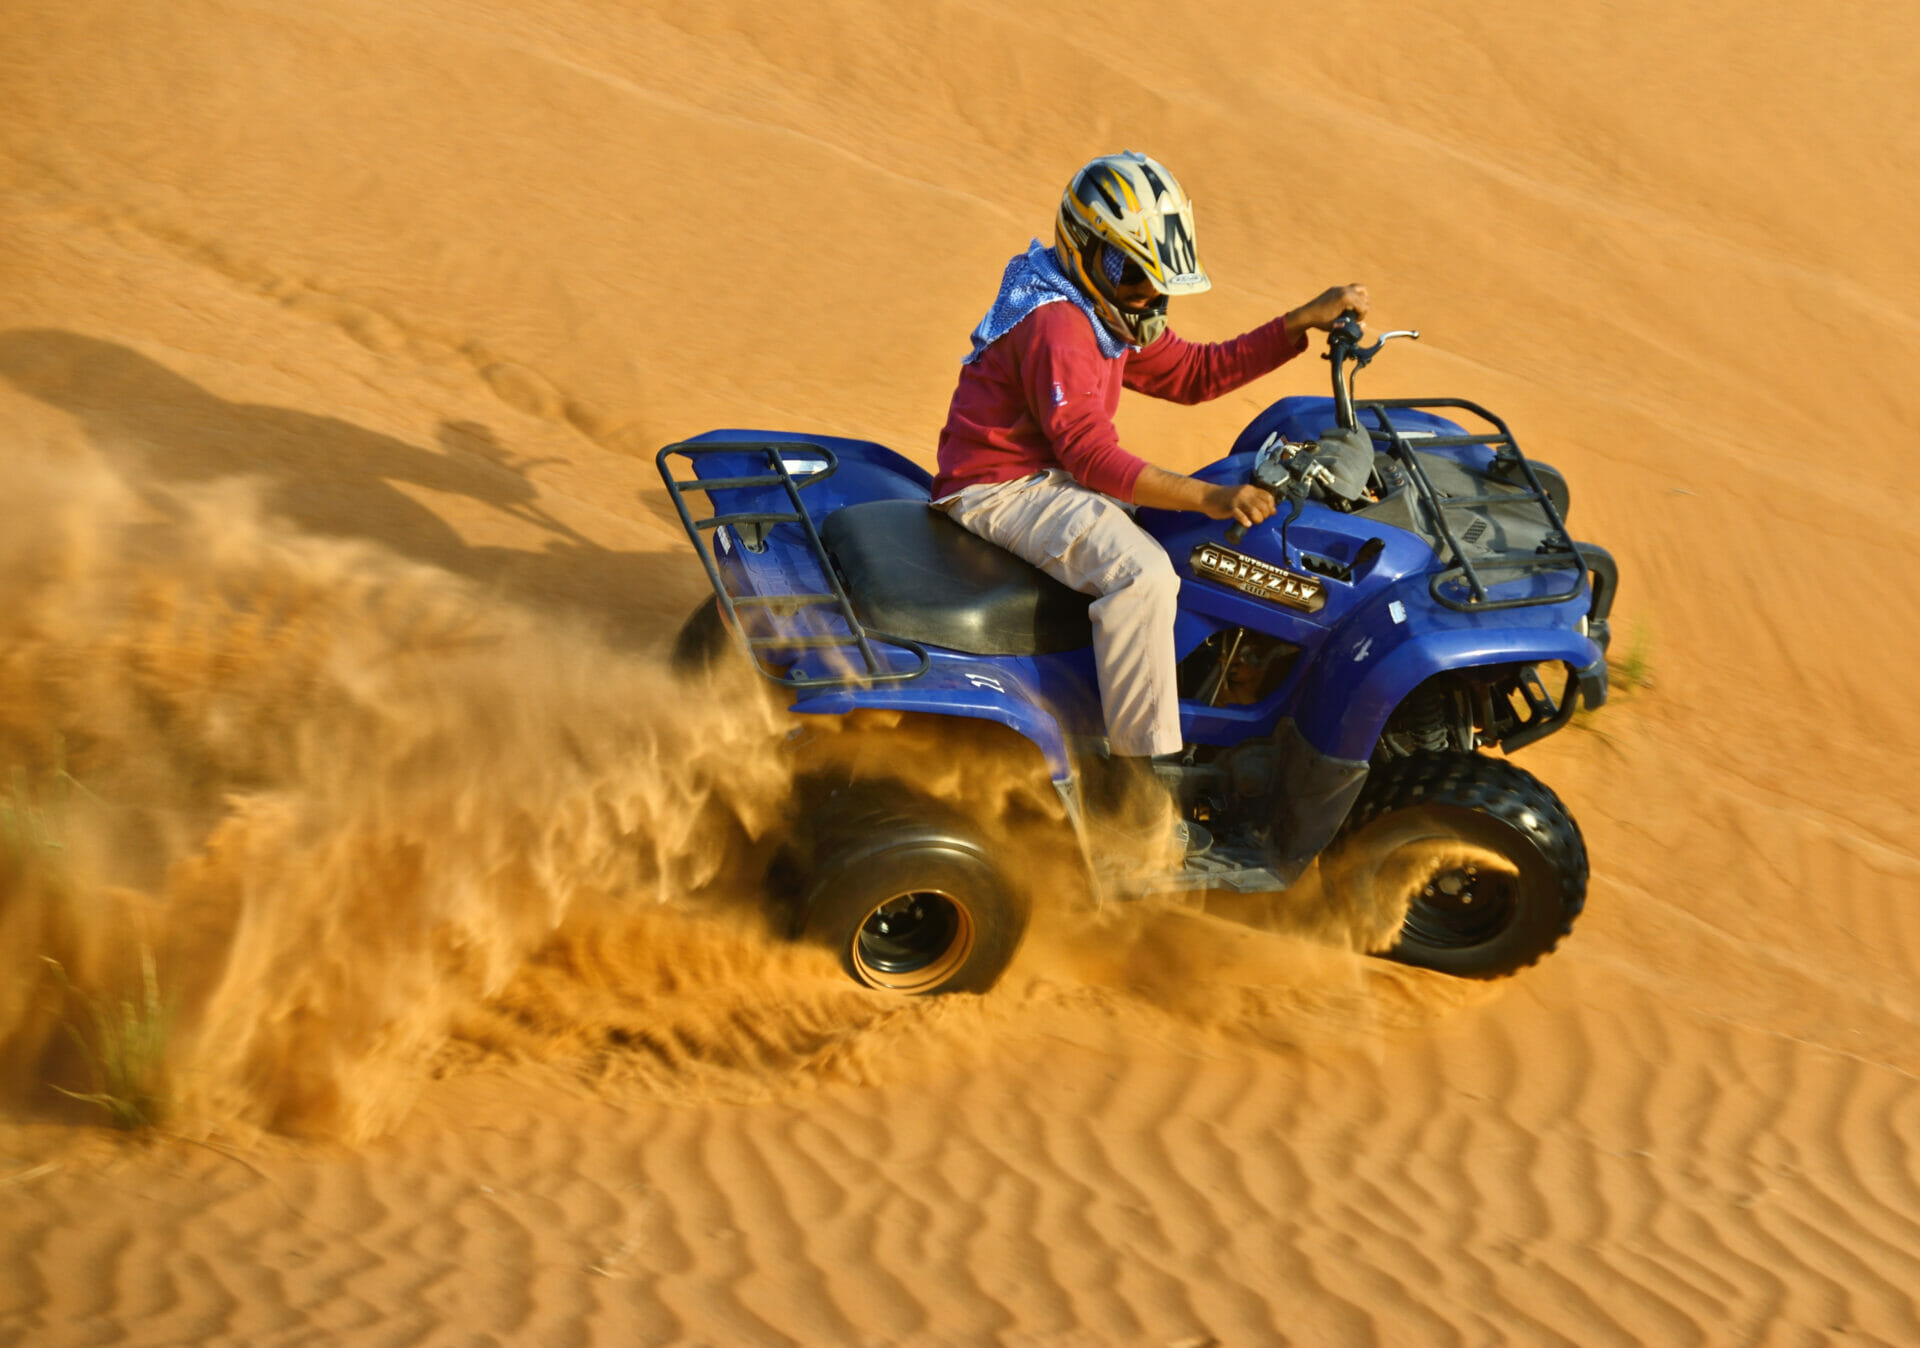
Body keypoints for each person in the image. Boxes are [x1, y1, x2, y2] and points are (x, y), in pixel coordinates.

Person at [931, 150, 1370, 833]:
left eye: (1154, 275)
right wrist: (1209, 497)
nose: (1145, 292)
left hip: (1049, 474)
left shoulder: (1102, 305)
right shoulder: (1061, 324)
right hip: (1001, 486)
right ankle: (1137, 791)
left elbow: (1194, 374)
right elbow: (1089, 454)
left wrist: (1298, 323)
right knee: (1143, 576)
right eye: (1130, 272)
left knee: (1186, 543)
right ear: (1085, 251)